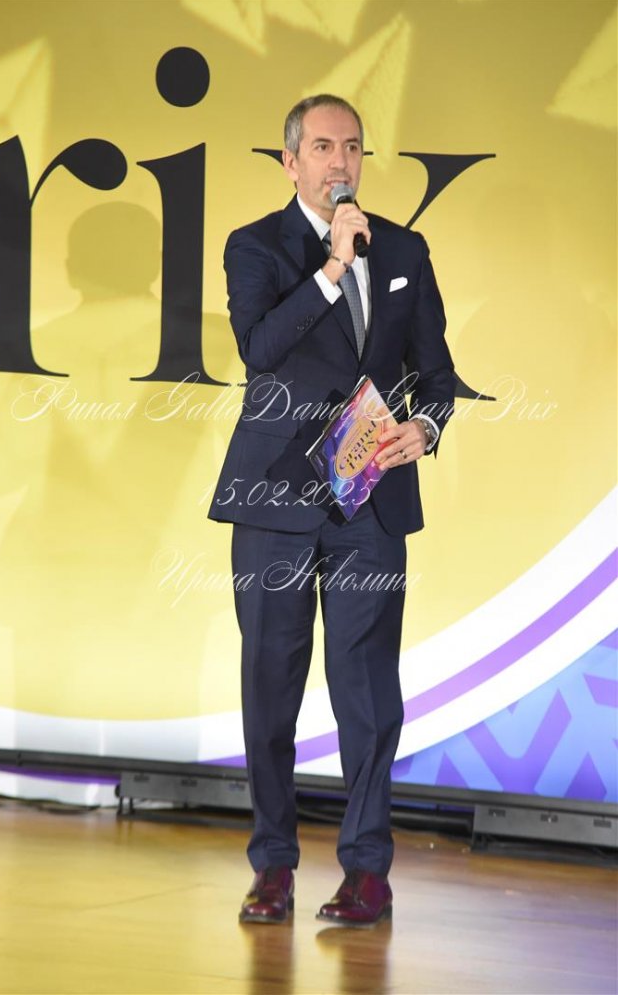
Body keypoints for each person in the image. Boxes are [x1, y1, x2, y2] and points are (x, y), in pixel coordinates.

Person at [208, 94, 455, 927]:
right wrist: (331, 270)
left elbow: (435, 372)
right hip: (275, 495)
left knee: (367, 687)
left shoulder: (405, 249)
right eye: (322, 146)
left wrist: (426, 424)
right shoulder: (254, 246)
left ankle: (367, 870)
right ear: (291, 162)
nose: (340, 161)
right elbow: (259, 348)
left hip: (370, 498)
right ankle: (272, 864)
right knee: (270, 682)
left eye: (352, 146)